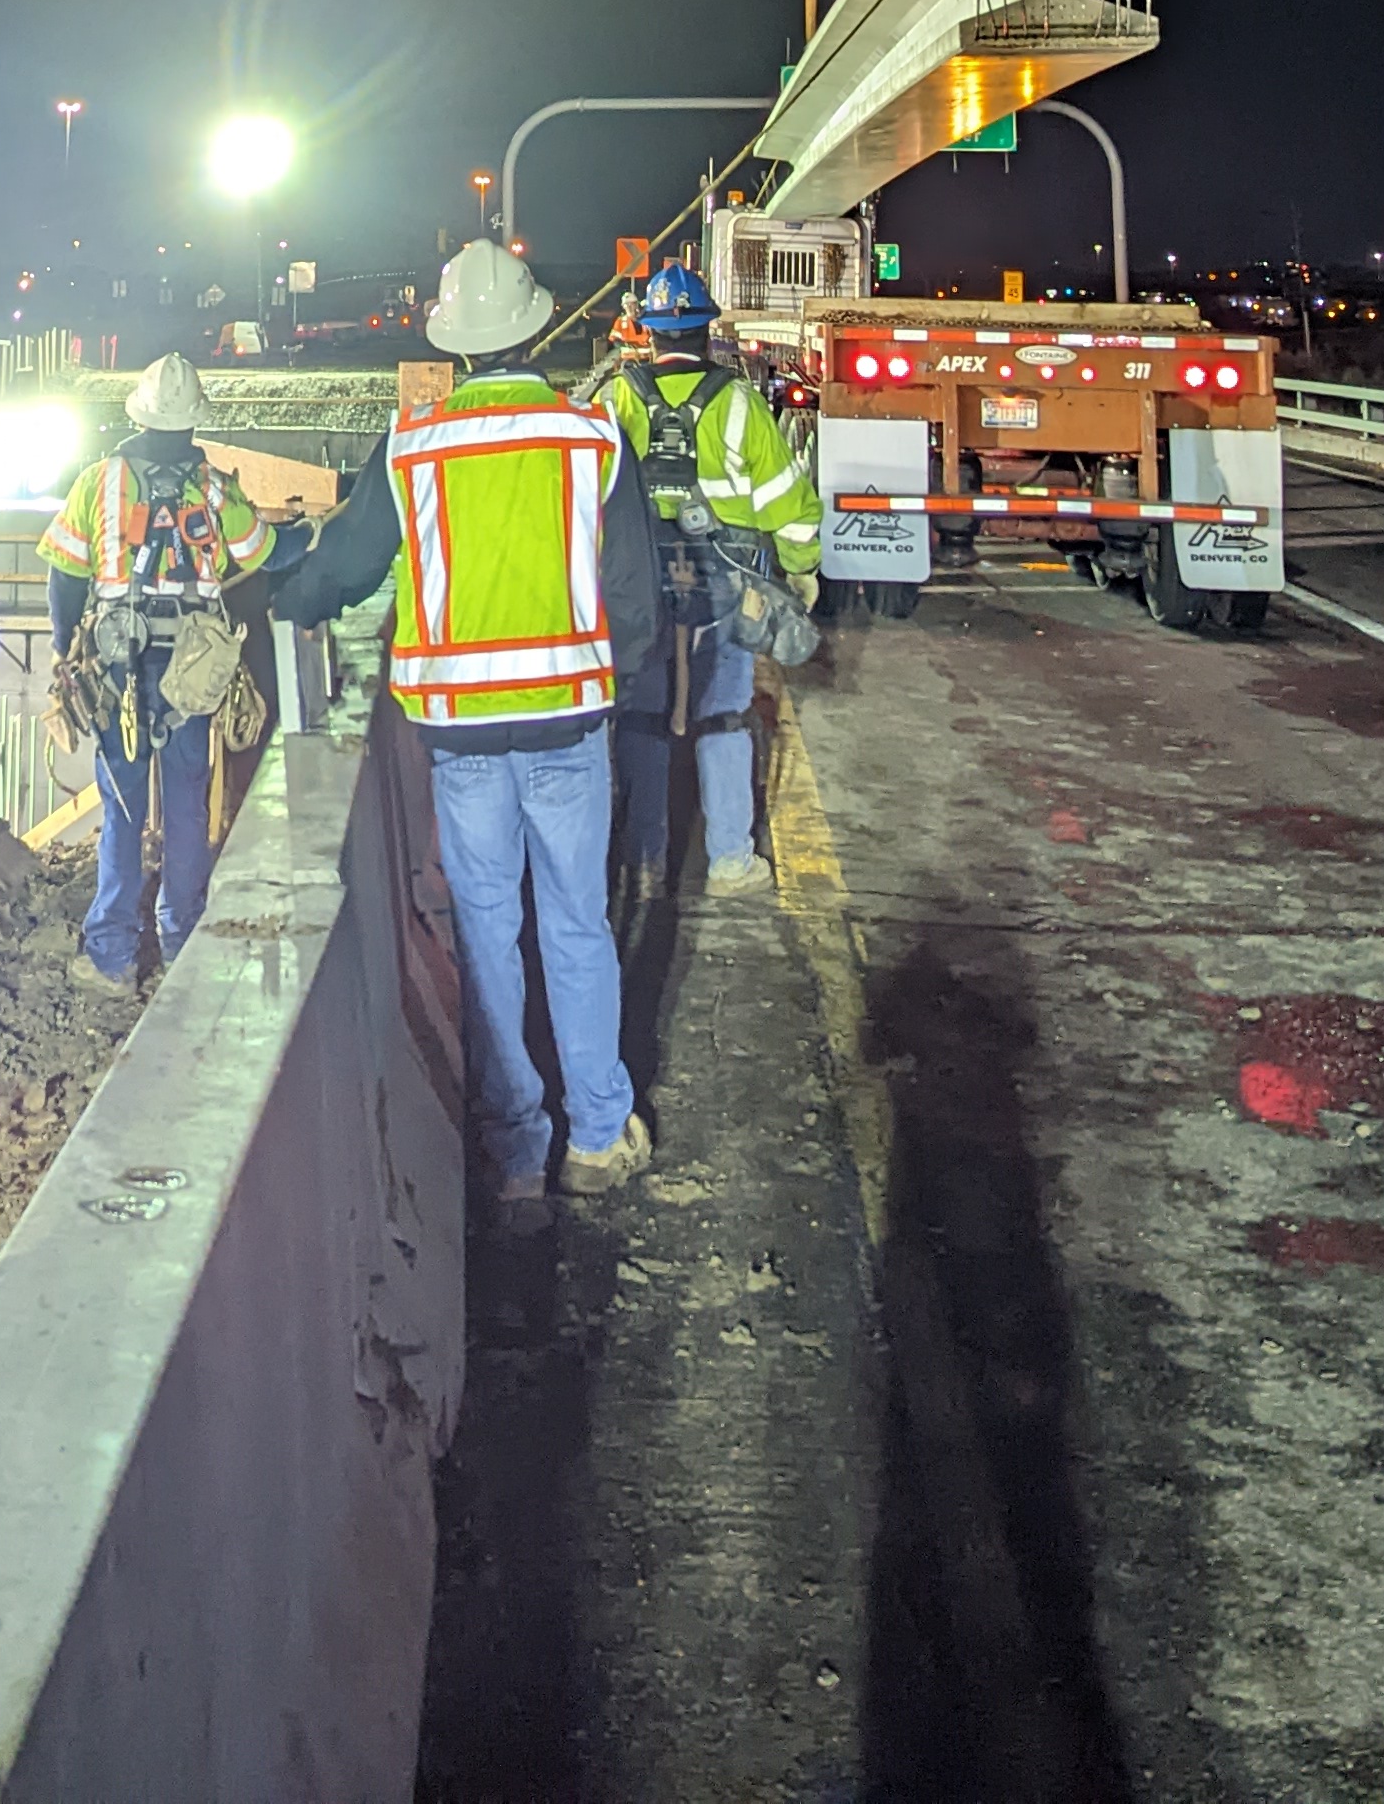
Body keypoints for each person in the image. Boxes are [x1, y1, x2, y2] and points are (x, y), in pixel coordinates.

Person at [266, 234, 660, 1203]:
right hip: (571, 726)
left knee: (488, 933)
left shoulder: (412, 445)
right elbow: (637, 602)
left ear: (454, 348)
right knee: (578, 924)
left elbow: (346, 569)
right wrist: (605, 688)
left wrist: (290, 599)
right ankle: (600, 1136)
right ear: (537, 332)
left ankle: (516, 1151)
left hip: (461, 742)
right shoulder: (594, 437)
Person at [40, 353, 274, 982]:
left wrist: (65, 655)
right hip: (193, 668)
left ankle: (112, 956)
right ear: (193, 424)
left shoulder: (98, 482)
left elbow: (65, 578)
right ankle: (182, 940)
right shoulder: (215, 487)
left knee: (121, 807)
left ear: (138, 414)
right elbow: (260, 553)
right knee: (188, 804)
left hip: (118, 663)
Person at [601, 262, 821, 898]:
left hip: (640, 585)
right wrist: (801, 573)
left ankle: (645, 859)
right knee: (723, 713)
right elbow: (789, 505)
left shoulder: (615, 401)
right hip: (725, 585)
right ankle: (730, 860)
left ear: (647, 332)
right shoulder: (741, 405)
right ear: (706, 331)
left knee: (643, 715)